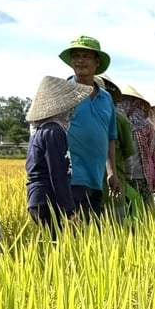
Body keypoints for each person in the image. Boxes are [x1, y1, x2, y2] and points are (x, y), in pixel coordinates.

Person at [59, 35, 120, 220]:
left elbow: (110, 137)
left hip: (96, 178)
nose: (80, 60)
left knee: (91, 232)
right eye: (76, 55)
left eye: (86, 56)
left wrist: (112, 174)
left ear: (96, 62)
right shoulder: (63, 92)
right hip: (70, 176)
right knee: (74, 232)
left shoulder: (106, 98)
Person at [25, 76, 93, 239]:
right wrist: (69, 210)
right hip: (48, 200)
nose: (72, 111)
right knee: (57, 251)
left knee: (52, 249)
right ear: (60, 108)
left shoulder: (41, 130)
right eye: (70, 107)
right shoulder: (53, 132)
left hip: (39, 199)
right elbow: (57, 174)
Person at [114, 85, 155, 207]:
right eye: (121, 100)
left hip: (142, 176)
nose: (125, 104)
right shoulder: (114, 122)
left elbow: (153, 155)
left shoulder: (146, 127)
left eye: (129, 101)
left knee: (145, 213)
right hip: (121, 176)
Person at [97, 75, 138, 220]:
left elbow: (128, 156)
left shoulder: (120, 120)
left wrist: (126, 181)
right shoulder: (76, 119)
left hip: (113, 189)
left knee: (115, 232)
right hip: (84, 189)